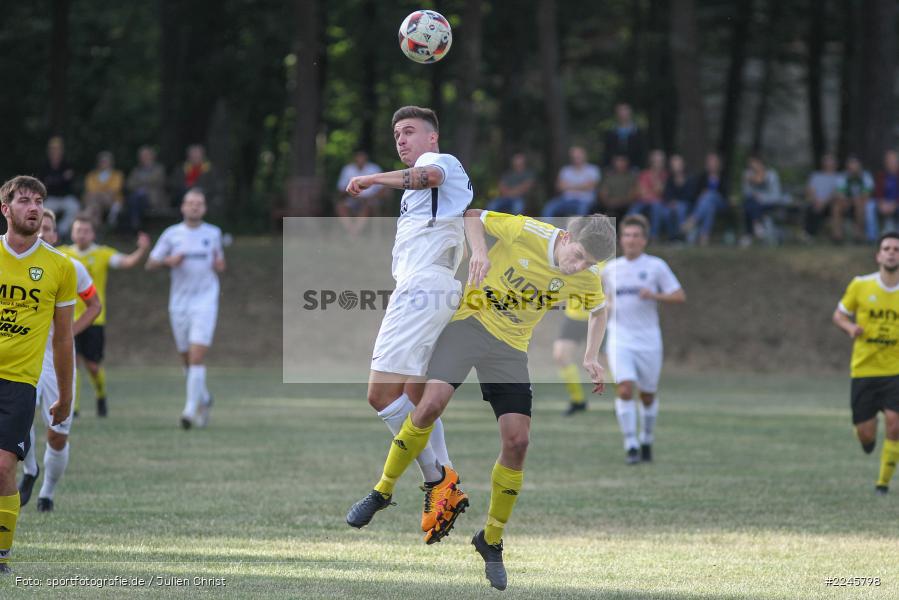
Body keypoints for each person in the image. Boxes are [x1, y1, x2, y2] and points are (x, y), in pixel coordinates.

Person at [348, 210, 616, 590]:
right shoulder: (527, 231)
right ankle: (382, 491)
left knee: (518, 441)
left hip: (510, 349)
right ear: (568, 238)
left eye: (590, 264)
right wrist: (480, 253)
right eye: (580, 257)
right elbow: (474, 215)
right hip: (470, 324)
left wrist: (590, 355)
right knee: (430, 404)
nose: (580, 268)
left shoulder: (586, 275)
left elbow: (599, 310)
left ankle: (490, 539)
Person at [342, 106, 471, 543]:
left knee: (380, 395)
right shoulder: (417, 182)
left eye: (410, 131)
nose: (402, 139)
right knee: (416, 394)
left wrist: (373, 178)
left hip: (424, 288)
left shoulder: (440, 162)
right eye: (397, 133)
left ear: (432, 138)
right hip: (427, 287)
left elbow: (428, 178)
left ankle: (439, 480)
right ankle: (444, 481)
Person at [0, 175, 76, 572]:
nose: (33, 207)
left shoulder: (59, 267)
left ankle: (1, 553)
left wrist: (64, 395)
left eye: (39, 201)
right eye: (24, 200)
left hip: (18, 382)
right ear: (5, 209)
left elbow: (63, 340)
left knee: (2, 468)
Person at [18, 209, 101, 513]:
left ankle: (47, 493)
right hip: (24, 355)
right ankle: (30, 469)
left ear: (55, 235)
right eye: (38, 227)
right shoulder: (14, 262)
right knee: (19, 419)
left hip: (58, 359)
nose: (42, 233)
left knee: (56, 433)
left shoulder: (70, 267)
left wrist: (68, 332)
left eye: (48, 228)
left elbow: (94, 304)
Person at [604, 214, 685, 464]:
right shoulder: (609, 269)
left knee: (647, 395)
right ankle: (630, 445)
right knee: (625, 388)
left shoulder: (655, 266)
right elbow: (600, 301)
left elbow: (679, 295)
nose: (631, 240)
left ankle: (646, 438)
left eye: (636, 235)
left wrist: (655, 295)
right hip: (619, 338)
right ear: (620, 240)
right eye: (627, 235)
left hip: (649, 340)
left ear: (645, 240)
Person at [146, 189, 225, 429]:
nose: (194, 207)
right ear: (182, 207)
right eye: (190, 203)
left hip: (206, 301)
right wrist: (167, 262)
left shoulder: (213, 233)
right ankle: (204, 397)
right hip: (179, 304)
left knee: (197, 357)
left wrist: (220, 264)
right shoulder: (172, 234)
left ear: (204, 208)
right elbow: (151, 263)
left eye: (199, 203)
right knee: (186, 360)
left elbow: (219, 263)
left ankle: (190, 411)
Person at [61, 215, 150, 417]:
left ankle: (101, 394)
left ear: (93, 234)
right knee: (72, 363)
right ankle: (73, 408)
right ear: (72, 232)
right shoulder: (62, 253)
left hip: (94, 319)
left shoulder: (102, 254)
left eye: (85, 231)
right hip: (68, 320)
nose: (81, 234)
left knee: (92, 366)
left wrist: (142, 250)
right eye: (78, 230)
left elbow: (126, 262)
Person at [832, 232, 899, 494]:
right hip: (864, 369)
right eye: (887, 248)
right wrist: (850, 328)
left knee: (895, 423)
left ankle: (882, 483)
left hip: (895, 370)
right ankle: (866, 438)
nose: (892, 252)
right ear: (878, 255)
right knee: (866, 434)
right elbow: (839, 315)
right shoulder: (861, 285)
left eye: (896, 248)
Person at [682, 152, 729, 246]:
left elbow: (725, 195)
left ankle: (693, 220)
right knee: (710, 207)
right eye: (710, 162)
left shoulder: (723, 177)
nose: (712, 164)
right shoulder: (702, 177)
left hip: (720, 203)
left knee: (710, 195)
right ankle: (704, 236)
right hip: (706, 205)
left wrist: (709, 194)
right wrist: (702, 194)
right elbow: (695, 195)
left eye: (714, 162)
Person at [541, 146, 601, 218]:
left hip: (585, 201)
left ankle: (577, 229)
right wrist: (582, 186)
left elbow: (590, 187)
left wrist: (568, 186)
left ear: (584, 156)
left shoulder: (593, 169)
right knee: (549, 208)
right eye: (573, 157)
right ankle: (548, 229)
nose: (576, 158)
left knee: (581, 211)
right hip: (566, 200)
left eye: (578, 156)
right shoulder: (565, 170)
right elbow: (559, 187)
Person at [334, 150, 383, 236]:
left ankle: (354, 234)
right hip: (352, 199)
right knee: (340, 207)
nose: (360, 159)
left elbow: (382, 189)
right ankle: (352, 231)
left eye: (362, 157)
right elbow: (341, 189)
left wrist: (371, 198)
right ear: (355, 158)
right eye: (358, 157)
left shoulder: (374, 168)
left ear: (366, 158)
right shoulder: (348, 169)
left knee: (366, 208)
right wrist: (350, 194)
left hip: (370, 200)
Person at [39, 137, 80, 240]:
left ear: (61, 150)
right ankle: (45, 233)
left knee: (75, 207)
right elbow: (43, 184)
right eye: (53, 149)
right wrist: (62, 178)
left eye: (57, 149)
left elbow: (70, 182)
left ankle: (61, 232)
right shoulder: (45, 165)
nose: (55, 151)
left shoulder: (67, 163)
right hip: (51, 197)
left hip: (66, 197)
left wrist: (54, 180)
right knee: (42, 210)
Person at [740, 155, 783, 245]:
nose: (753, 167)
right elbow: (746, 193)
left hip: (769, 203)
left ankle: (749, 234)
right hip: (753, 203)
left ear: (761, 164)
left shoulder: (772, 175)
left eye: (755, 164)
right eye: (751, 165)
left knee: (750, 205)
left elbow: (776, 196)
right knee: (750, 202)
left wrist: (761, 197)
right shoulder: (748, 175)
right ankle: (757, 225)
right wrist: (750, 182)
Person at [628, 150, 668, 240]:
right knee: (633, 210)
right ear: (651, 161)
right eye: (655, 160)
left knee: (656, 206)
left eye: (659, 161)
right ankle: (627, 235)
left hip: (658, 202)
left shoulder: (665, 175)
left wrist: (655, 176)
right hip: (643, 201)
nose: (657, 163)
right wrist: (651, 192)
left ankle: (654, 236)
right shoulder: (644, 174)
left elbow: (660, 191)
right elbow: (641, 191)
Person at [125, 146, 167, 231]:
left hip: (153, 198)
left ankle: (134, 225)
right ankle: (135, 224)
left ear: (152, 156)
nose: (144, 157)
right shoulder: (136, 170)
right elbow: (129, 184)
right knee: (136, 198)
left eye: (147, 155)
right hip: (138, 198)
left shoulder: (159, 168)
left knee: (136, 199)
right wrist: (145, 183)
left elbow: (157, 180)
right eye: (142, 156)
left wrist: (139, 182)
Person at [803, 153, 843, 242]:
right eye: (826, 161)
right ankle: (809, 235)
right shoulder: (815, 176)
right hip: (816, 202)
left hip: (830, 204)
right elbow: (809, 191)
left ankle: (835, 236)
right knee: (811, 208)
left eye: (831, 161)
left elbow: (837, 193)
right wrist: (816, 201)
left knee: (834, 207)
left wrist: (824, 202)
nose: (828, 163)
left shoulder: (840, 177)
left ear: (836, 163)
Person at [836, 156, 875, 243]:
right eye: (851, 165)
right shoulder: (842, 176)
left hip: (861, 202)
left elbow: (866, 194)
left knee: (859, 205)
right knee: (836, 207)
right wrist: (847, 201)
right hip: (846, 202)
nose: (853, 168)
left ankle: (858, 235)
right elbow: (840, 194)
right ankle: (837, 236)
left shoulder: (866, 176)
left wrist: (855, 200)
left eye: (855, 165)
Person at [867, 150, 899, 242]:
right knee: (869, 206)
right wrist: (881, 203)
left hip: (896, 203)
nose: (890, 162)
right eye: (888, 160)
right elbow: (877, 192)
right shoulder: (881, 175)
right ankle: (872, 237)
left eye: (893, 160)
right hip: (883, 203)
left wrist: (895, 204)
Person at [594, 154, 637, 222]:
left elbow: (632, 195)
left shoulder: (631, 177)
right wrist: (608, 202)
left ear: (626, 162)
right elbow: (603, 192)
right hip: (608, 204)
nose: (619, 163)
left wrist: (618, 202)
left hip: (626, 205)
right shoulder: (607, 176)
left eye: (622, 161)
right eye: (617, 161)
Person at [603, 102, 646, 168]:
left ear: (630, 112)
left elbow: (642, 152)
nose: (623, 113)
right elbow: (607, 151)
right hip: (614, 168)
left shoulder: (638, 132)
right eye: (620, 111)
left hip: (634, 168)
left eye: (625, 110)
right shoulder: (611, 133)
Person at [662, 154, 693, 241]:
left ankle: (682, 236)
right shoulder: (669, 179)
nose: (676, 167)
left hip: (686, 204)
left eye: (678, 164)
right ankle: (672, 236)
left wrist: (677, 202)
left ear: (683, 165)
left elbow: (690, 196)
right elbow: (667, 194)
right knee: (666, 212)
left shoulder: (690, 178)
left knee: (680, 209)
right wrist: (671, 202)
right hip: (671, 204)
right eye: (674, 165)